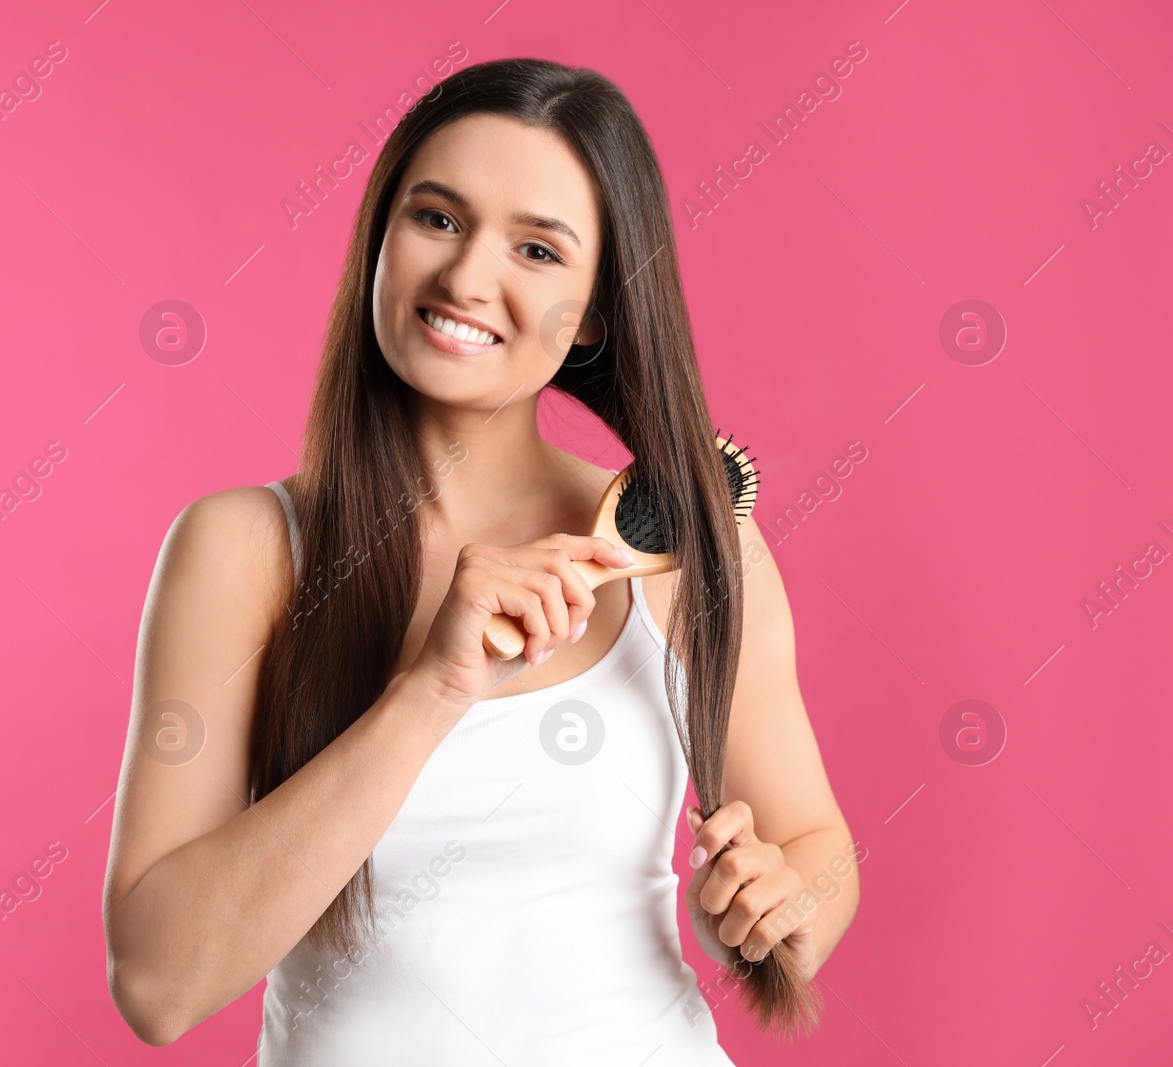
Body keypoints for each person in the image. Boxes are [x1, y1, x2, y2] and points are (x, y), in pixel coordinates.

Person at [102, 57, 859, 1065]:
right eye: (438, 219)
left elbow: (816, 844)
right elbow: (159, 982)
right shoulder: (245, 551)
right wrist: (431, 687)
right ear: (381, 234)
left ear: (594, 310)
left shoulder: (678, 542)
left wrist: (782, 899)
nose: (465, 279)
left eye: (537, 249)